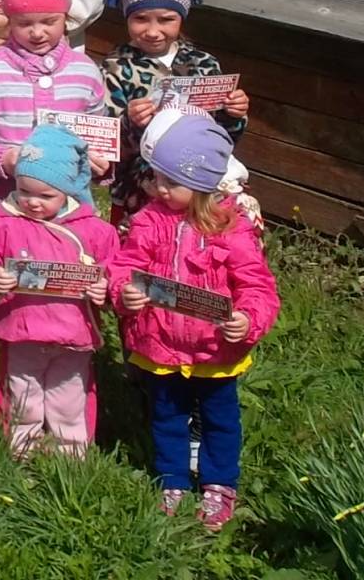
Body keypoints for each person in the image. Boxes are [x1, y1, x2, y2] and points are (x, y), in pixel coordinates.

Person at [109, 113, 280, 531]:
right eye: (156, 178)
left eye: (170, 181)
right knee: (166, 416)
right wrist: (125, 292)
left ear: (203, 183)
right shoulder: (150, 220)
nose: (158, 188)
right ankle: (173, 480)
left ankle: (220, 484)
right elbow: (124, 265)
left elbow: (258, 287)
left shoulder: (231, 228)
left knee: (221, 419)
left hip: (216, 349)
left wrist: (247, 320)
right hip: (160, 345)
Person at [0, 123, 119, 458]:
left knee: (70, 396)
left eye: (46, 196)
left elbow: (114, 268)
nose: (33, 203)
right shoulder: (1, 222)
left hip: (74, 331)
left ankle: (71, 456)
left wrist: (105, 288)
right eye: (24, 191)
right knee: (22, 394)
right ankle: (21, 452)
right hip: (20, 328)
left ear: (69, 191)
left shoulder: (94, 230)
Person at [100, 0, 251, 229]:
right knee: (140, 253)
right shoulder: (117, 68)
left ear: (182, 16)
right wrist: (130, 123)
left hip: (199, 189)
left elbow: (223, 138)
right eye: (140, 18)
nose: (153, 31)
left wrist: (233, 115)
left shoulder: (203, 64)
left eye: (166, 19)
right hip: (142, 191)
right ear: (126, 16)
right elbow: (107, 145)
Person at [0, 0, 110, 216]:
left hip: (70, 205)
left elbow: (98, 129)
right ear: (8, 19)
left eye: (50, 21)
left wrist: (98, 158)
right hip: (6, 203)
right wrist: (2, 158)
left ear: (66, 16)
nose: (38, 32)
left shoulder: (85, 70)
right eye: (24, 23)